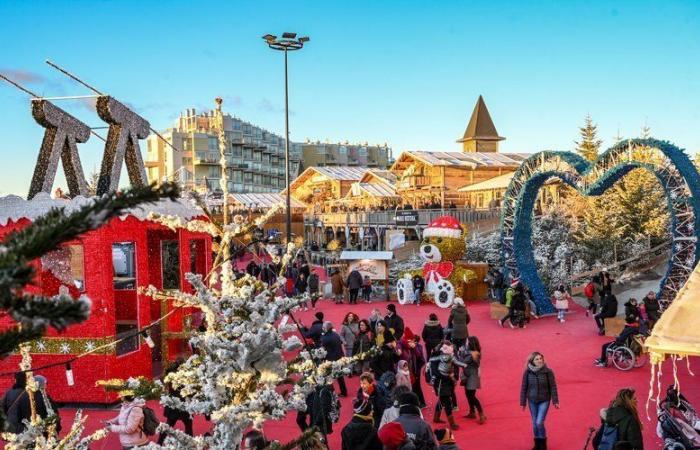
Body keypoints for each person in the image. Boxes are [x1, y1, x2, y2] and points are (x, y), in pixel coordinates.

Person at [520, 352, 559, 450]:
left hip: (544, 400)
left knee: (539, 422)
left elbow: (553, 387)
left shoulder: (548, 372)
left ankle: (543, 444)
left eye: (541, 358)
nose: (539, 360)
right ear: (532, 361)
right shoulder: (527, 372)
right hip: (532, 400)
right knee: (534, 423)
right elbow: (524, 387)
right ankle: (537, 444)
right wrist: (523, 402)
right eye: (537, 359)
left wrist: (555, 401)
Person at [429, 342, 465, 431]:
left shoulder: (447, 356)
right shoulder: (435, 359)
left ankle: (436, 418)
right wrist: (449, 376)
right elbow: (436, 373)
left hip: (447, 382)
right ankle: (452, 423)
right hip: (440, 383)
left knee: (442, 399)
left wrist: (452, 377)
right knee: (447, 402)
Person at [157, 359, 192, 445]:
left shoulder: (169, 374)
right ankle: (190, 443)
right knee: (188, 425)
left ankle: (159, 442)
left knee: (169, 424)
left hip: (172, 402)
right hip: (184, 404)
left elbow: (162, 381)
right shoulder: (184, 375)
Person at [458, 336, 485, 424]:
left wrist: (459, 353)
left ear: (470, 344)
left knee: (472, 396)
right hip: (468, 375)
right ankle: (472, 411)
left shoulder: (473, 354)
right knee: (468, 394)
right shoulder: (473, 353)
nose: (465, 344)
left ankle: (481, 414)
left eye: (467, 342)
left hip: (472, 376)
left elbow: (462, 362)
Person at [399, 328, 427, 408]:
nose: (408, 343)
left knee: (416, 387)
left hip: (415, 370)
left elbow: (420, 357)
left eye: (409, 341)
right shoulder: (403, 346)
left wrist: (414, 348)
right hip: (407, 370)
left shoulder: (418, 347)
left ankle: (421, 402)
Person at [321, 321, 348, 397]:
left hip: (331, 359)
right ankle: (343, 392)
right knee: (340, 376)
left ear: (326, 328)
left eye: (323, 327)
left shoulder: (325, 338)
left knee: (328, 377)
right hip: (339, 357)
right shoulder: (335, 334)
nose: (322, 328)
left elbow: (322, 349)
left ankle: (331, 393)